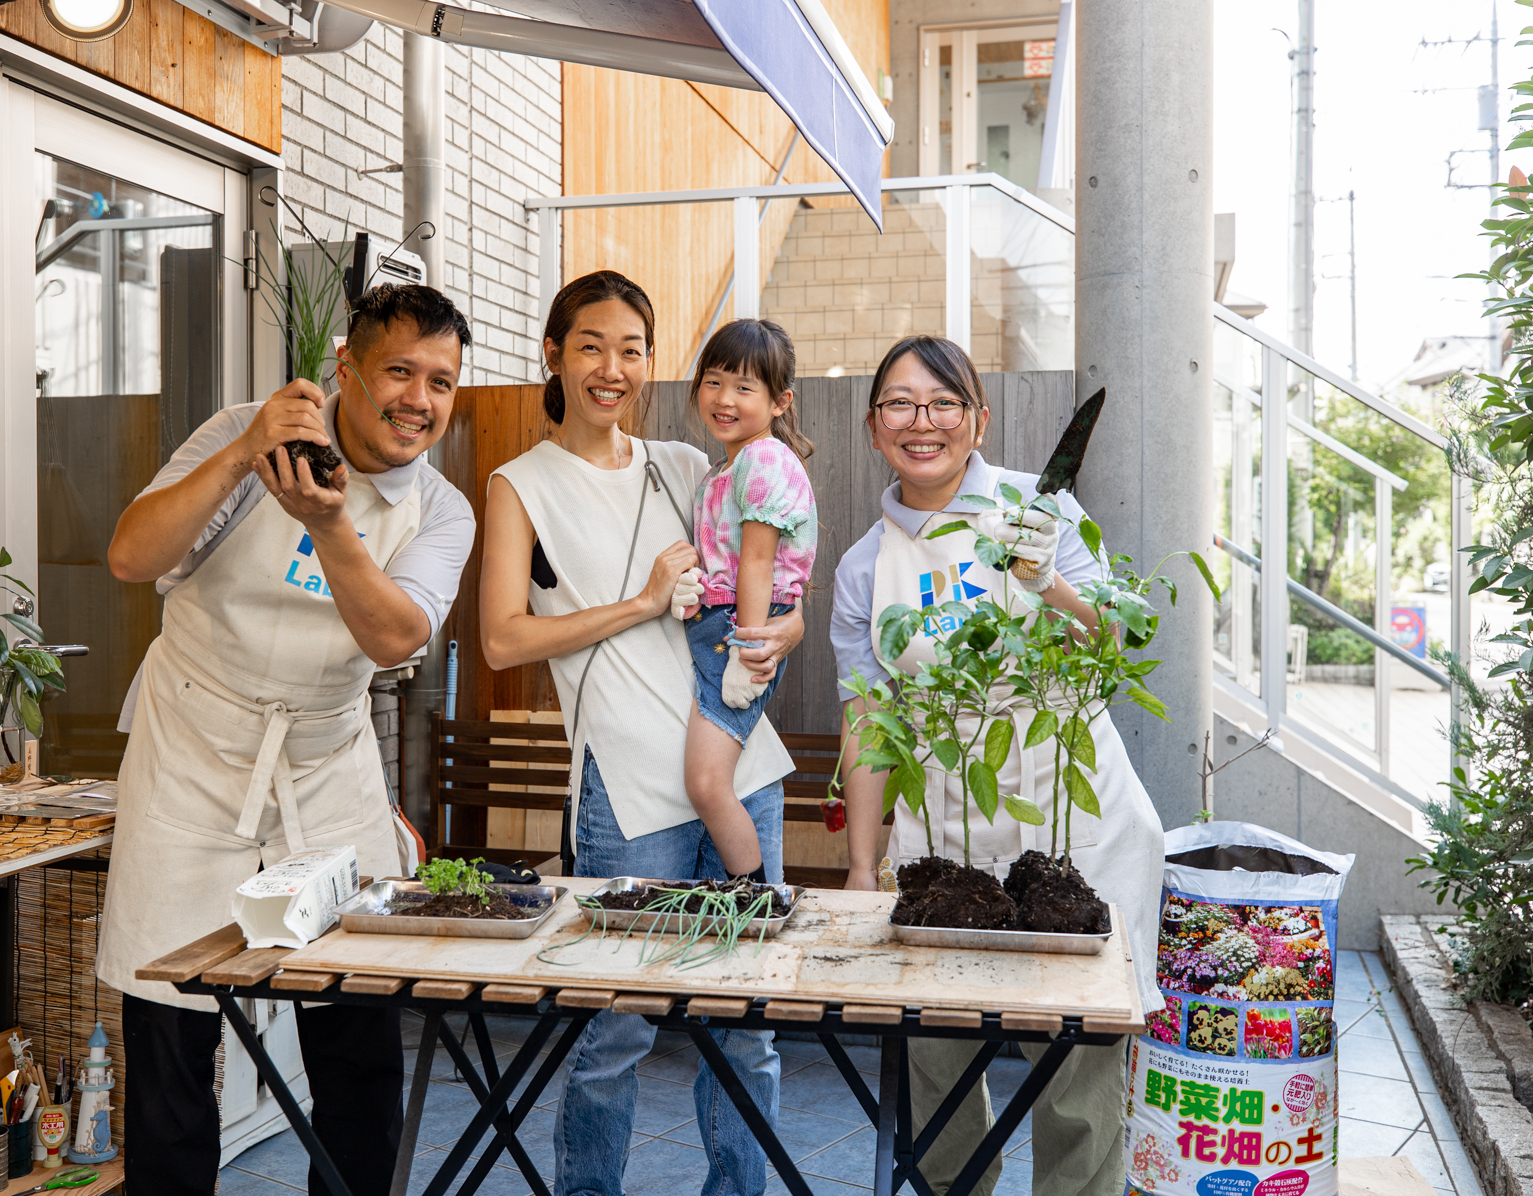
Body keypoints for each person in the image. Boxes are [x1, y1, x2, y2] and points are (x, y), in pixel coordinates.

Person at [97, 284, 478, 1196]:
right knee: (170, 1036)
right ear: (346, 367)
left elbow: (394, 638)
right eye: (399, 371)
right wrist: (243, 453)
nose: (419, 400)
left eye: (441, 382)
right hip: (190, 753)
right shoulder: (240, 432)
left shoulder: (441, 509)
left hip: (326, 765)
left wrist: (330, 522)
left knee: (357, 1039)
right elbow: (130, 556)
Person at [478, 271, 804, 1196]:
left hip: (739, 769)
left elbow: (772, 575)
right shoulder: (520, 484)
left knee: (746, 1022)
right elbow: (502, 639)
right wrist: (641, 601)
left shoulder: (689, 464)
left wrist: (790, 629)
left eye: (631, 350)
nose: (611, 369)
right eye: (591, 346)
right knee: (615, 1025)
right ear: (554, 354)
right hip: (626, 789)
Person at [829, 335, 1165, 1196]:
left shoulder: (1040, 511)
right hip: (942, 838)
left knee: (1079, 1079)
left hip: (1071, 825)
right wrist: (862, 867)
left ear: (977, 420)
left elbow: (1116, 641)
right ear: (873, 425)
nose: (922, 422)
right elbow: (868, 719)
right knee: (937, 1071)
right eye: (900, 403)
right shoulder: (865, 567)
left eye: (944, 403)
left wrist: (1048, 581)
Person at [677, 319, 817, 881]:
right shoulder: (727, 465)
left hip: (742, 626)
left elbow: (757, 563)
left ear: (780, 401)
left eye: (743, 387)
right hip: (726, 621)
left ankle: (757, 897)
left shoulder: (762, 461)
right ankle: (754, 894)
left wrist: (745, 647)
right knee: (709, 781)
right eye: (713, 382)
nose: (724, 399)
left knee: (706, 783)